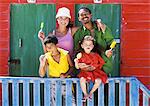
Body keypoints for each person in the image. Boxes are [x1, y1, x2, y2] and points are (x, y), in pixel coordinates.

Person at [74, 7, 115, 75]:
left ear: (91, 15)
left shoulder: (102, 27)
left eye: (86, 14)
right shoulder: (79, 33)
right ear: (79, 18)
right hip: (87, 69)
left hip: (104, 67)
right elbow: (77, 50)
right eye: (81, 15)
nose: (84, 16)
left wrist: (110, 51)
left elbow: (112, 42)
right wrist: (80, 64)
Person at [39, 35, 75, 106]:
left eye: (51, 46)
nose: (49, 49)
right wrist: (42, 64)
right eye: (47, 47)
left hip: (66, 83)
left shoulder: (65, 54)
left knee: (71, 103)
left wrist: (66, 75)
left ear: (57, 45)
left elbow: (72, 67)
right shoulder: (46, 57)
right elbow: (42, 75)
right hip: (53, 84)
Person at [74, 36, 108, 102]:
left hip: (95, 72)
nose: (88, 46)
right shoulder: (80, 55)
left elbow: (100, 64)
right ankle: (85, 94)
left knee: (98, 81)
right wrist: (76, 61)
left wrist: (94, 66)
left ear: (92, 46)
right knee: (82, 80)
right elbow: (77, 67)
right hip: (85, 72)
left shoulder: (96, 55)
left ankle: (91, 93)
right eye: (86, 44)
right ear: (82, 46)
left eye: (90, 44)